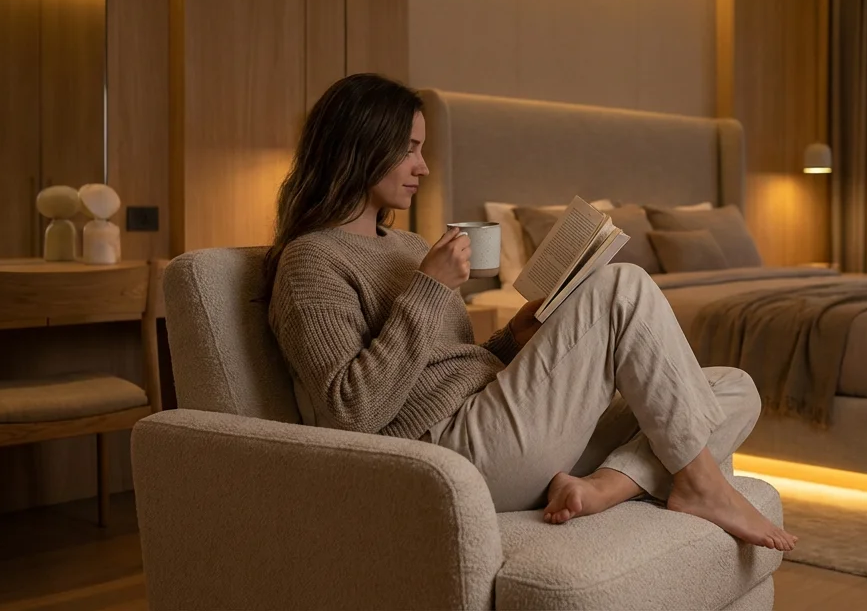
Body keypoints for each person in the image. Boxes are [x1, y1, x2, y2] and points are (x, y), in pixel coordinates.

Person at [264, 73, 795, 551]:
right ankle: (701, 486)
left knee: (732, 387)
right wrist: (428, 288)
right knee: (622, 286)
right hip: (449, 451)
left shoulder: (404, 245)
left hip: (498, 418)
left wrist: (512, 339)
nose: (423, 167)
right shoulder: (311, 260)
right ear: (361, 146)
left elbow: (446, 363)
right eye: (409, 149)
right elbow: (348, 411)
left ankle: (601, 488)